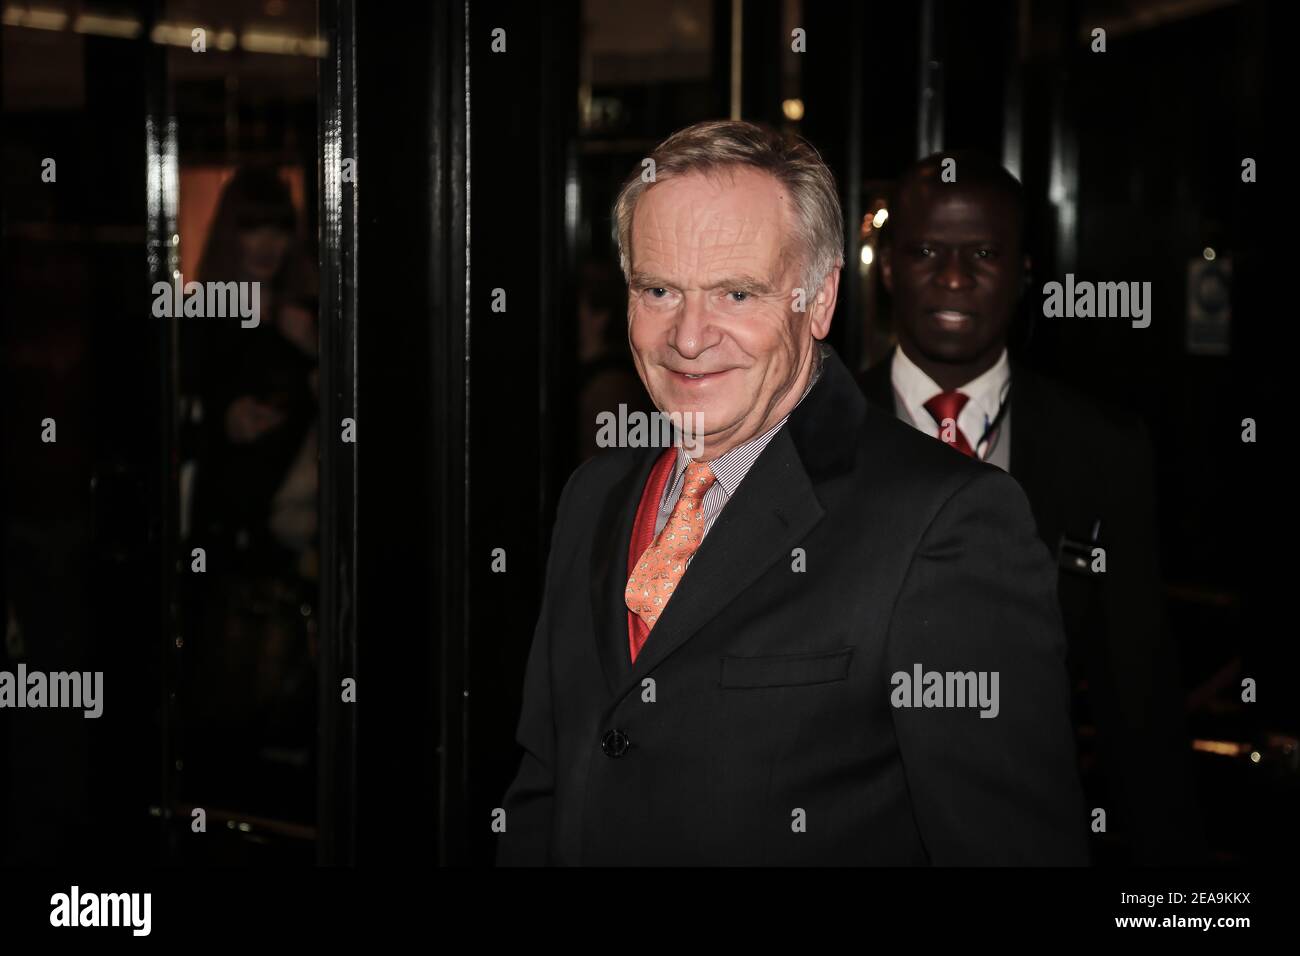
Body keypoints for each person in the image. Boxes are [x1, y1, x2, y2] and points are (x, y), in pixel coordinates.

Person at [496, 121, 1086, 865]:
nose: (688, 336)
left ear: (819, 299)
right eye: (658, 290)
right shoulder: (594, 495)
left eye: (736, 293)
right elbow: (545, 786)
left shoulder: (946, 524)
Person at [858, 150, 1204, 864]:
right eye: (927, 250)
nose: (954, 276)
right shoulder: (814, 439)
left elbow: (1137, 700)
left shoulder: (1102, 449)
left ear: (1023, 275)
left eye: (984, 252)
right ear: (888, 267)